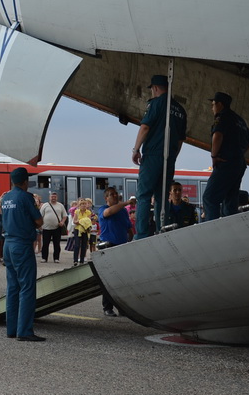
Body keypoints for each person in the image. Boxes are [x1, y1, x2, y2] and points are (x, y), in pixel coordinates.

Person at [132, 74, 188, 240]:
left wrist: (136, 149)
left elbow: (145, 128)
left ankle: (141, 235)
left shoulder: (156, 103)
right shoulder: (181, 110)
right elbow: (180, 140)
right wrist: (172, 157)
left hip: (153, 155)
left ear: (155, 88)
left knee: (143, 196)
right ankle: (162, 230)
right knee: (162, 197)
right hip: (169, 158)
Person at [1, 167, 44, 341]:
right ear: (25, 182)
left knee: (12, 287)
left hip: (8, 245)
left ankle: (11, 329)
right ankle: (24, 331)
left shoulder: (6, 197)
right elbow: (39, 221)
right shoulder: (26, 197)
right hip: (22, 245)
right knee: (27, 288)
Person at [202, 92, 249, 221]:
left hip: (226, 162)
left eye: (213, 104)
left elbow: (217, 135)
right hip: (239, 163)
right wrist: (238, 153)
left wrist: (214, 156)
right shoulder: (239, 119)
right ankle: (230, 228)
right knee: (230, 200)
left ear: (220, 104)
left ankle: (212, 229)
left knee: (209, 198)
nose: (212, 108)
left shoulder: (223, 117)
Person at [98, 187, 134, 317]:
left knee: (122, 280)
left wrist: (131, 239)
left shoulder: (123, 212)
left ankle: (122, 307)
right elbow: (108, 212)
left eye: (115, 194)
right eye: (111, 194)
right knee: (109, 279)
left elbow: (128, 227)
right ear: (106, 198)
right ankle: (107, 307)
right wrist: (126, 203)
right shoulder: (102, 209)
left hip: (121, 246)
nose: (115, 196)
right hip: (108, 246)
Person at [39, 191, 67, 263]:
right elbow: (40, 216)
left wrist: (62, 222)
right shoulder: (45, 205)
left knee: (56, 244)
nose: (53, 198)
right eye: (52, 197)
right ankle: (44, 258)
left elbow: (64, 216)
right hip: (46, 228)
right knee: (45, 244)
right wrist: (40, 225)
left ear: (57, 197)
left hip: (57, 228)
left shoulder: (60, 205)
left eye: (54, 197)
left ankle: (56, 258)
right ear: (49, 197)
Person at [71, 199, 93, 266]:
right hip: (78, 229)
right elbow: (74, 221)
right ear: (79, 205)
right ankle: (75, 260)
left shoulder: (88, 212)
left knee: (84, 245)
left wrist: (80, 221)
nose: (83, 205)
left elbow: (88, 221)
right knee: (77, 245)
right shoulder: (77, 211)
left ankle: (82, 260)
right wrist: (82, 221)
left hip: (85, 230)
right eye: (82, 204)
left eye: (84, 204)